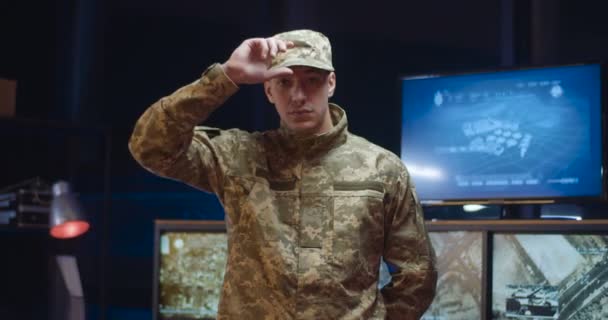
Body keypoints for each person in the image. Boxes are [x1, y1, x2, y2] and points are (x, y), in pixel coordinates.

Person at [129, 29, 437, 319]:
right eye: (284, 82)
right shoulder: (238, 157)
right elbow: (150, 146)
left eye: (312, 80)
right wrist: (226, 77)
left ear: (331, 83)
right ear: (268, 89)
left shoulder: (381, 169)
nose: (298, 95)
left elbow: (416, 275)